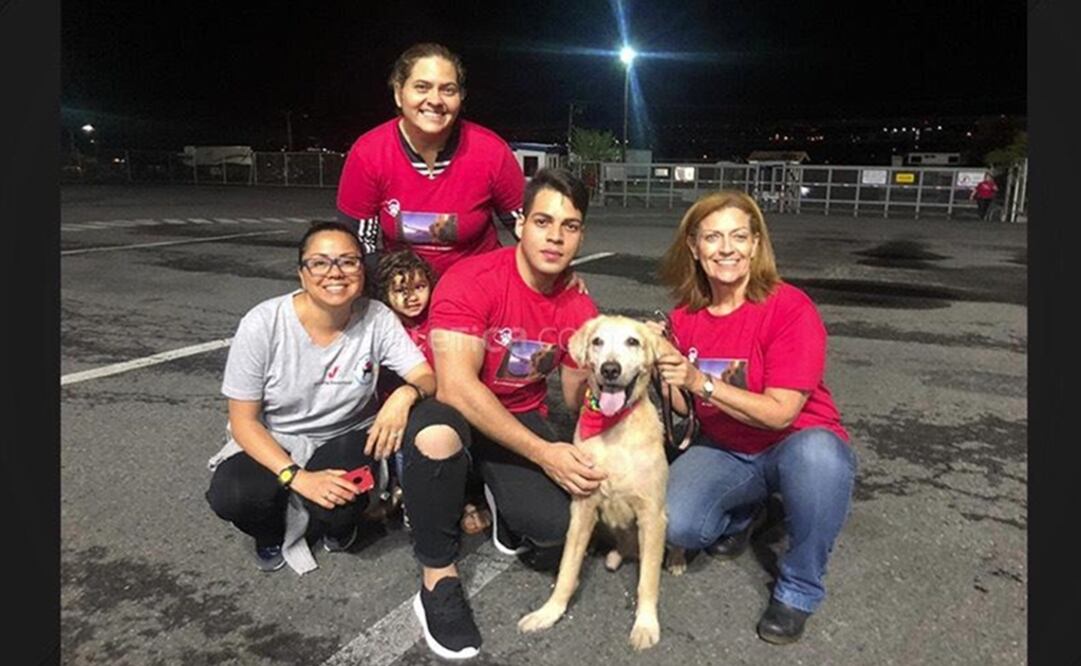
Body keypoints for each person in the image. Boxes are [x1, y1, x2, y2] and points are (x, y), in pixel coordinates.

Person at [398, 168, 604, 659]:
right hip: (453, 412)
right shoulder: (473, 278)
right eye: (543, 221)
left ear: (580, 235)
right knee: (437, 437)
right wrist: (545, 454)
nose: (555, 237)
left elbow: (578, 402)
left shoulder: (579, 305)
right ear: (520, 223)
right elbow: (455, 385)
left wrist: (620, 375)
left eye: (569, 226)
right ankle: (437, 585)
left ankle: (495, 495)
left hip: (518, 416)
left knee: (556, 534)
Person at [652, 191, 857, 645]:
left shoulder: (790, 308)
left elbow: (781, 412)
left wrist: (699, 380)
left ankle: (799, 589)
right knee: (677, 521)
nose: (726, 248)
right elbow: (685, 410)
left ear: (756, 243)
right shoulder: (684, 316)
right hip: (727, 448)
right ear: (693, 246)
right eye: (712, 237)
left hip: (794, 442)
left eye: (738, 236)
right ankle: (747, 510)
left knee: (821, 459)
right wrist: (662, 366)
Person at [205, 221, 439, 576]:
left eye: (348, 261)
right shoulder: (263, 323)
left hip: (346, 437)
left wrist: (407, 393)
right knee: (234, 493)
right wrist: (297, 477)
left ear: (363, 270)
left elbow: (425, 376)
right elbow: (243, 421)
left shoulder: (376, 318)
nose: (336, 272)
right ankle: (270, 532)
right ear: (301, 273)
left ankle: (340, 528)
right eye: (320, 262)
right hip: (279, 436)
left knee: (342, 497)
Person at [336, 42, 525, 280]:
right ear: (398, 92)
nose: (435, 100)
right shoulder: (368, 153)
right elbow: (355, 246)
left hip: (477, 294)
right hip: (404, 294)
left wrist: (555, 276)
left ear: (461, 97)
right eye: (422, 87)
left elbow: (530, 230)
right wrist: (396, 287)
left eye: (448, 90)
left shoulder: (491, 151)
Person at [372, 249, 491, 535]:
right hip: (396, 409)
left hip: (441, 404)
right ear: (385, 293)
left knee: (459, 445)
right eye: (400, 290)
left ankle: (464, 497)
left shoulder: (441, 320)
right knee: (397, 446)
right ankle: (405, 496)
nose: (411, 297)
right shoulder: (383, 326)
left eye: (419, 287)